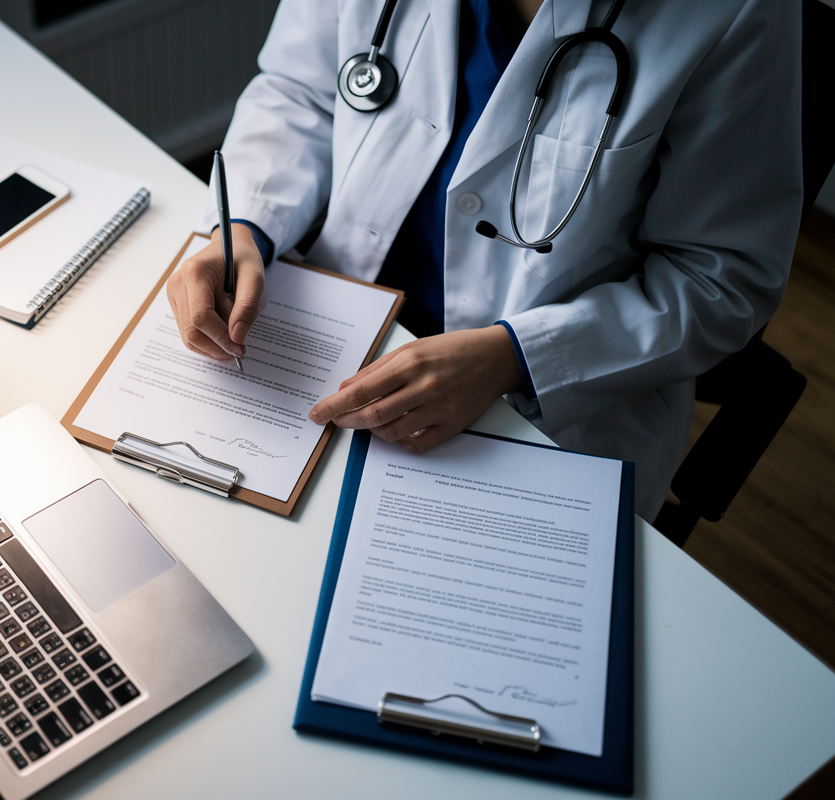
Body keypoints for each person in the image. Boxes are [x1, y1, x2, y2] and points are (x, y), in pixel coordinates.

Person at [165, 0, 802, 520]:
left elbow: (721, 275)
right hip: (331, 338)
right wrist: (243, 225)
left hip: (542, 414)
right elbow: (300, 92)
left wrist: (514, 358)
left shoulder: (739, 14)